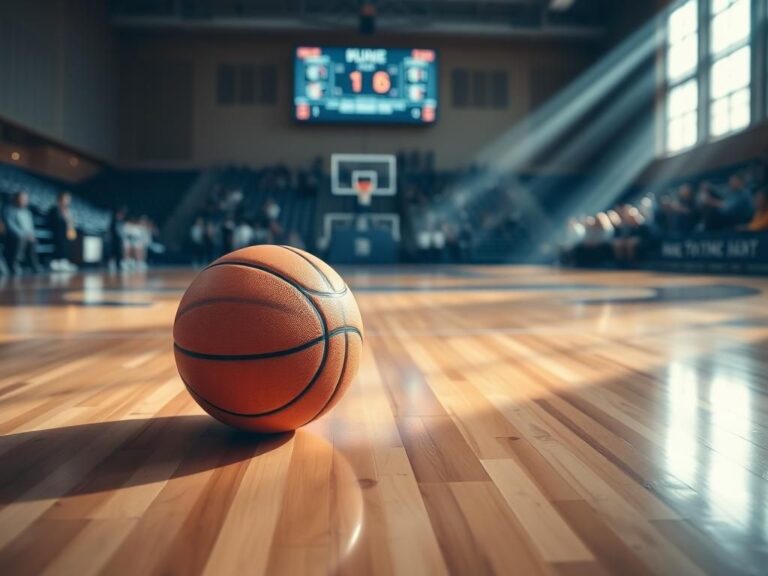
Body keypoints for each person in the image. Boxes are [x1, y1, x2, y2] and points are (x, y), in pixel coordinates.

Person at [3, 191, 42, 274]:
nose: (24, 200)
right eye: (22, 198)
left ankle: (33, 264)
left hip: (26, 235)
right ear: (16, 199)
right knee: (20, 238)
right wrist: (23, 234)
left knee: (33, 240)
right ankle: (15, 264)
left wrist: (31, 235)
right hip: (14, 235)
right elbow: (10, 226)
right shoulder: (9, 210)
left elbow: (30, 227)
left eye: (25, 199)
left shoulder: (27, 212)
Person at [47, 191, 78, 272]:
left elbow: (71, 221)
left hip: (66, 233)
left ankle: (64, 262)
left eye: (68, 199)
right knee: (59, 245)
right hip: (57, 233)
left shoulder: (68, 211)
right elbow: (54, 222)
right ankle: (57, 262)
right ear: (60, 199)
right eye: (65, 199)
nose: (67, 201)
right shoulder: (54, 209)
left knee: (67, 246)